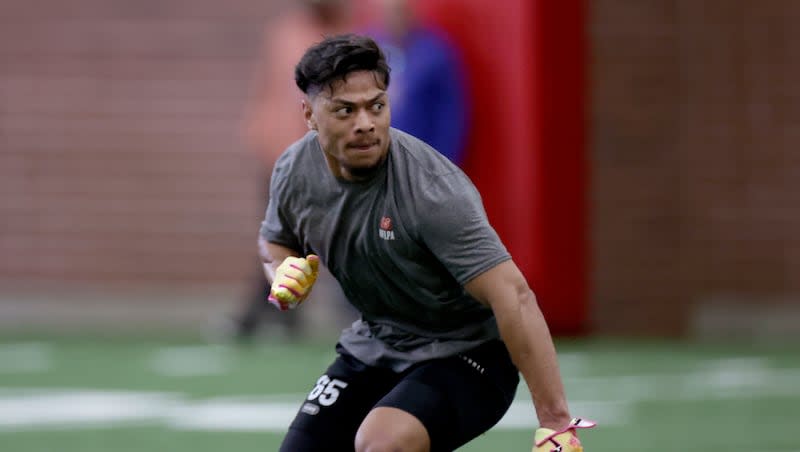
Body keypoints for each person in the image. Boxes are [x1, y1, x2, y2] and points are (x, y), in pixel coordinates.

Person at [260, 34, 594, 451]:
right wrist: (282, 270)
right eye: (345, 110)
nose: (365, 122)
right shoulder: (294, 170)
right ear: (309, 114)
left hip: (469, 352)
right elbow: (275, 239)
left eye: (376, 106)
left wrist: (556, 423)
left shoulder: (431, 189)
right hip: (378, 343)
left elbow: (515, 296)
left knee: (382, 443)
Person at [230, 0, 355, 341]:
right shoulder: (285, 31)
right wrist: (257, 130)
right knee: (280, 235)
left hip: (321, 156)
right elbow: (268, 87)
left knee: (320, 234)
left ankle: (267, 312)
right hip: (278, 151)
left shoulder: (349, 35)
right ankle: (270, 311)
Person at [365, 0, 469, 165]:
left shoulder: (435, 53)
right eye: (388, 11)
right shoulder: (367, 48)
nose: (393, 18)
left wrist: (442, 166)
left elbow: (451, 117)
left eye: (399, 10)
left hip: (420, 163)